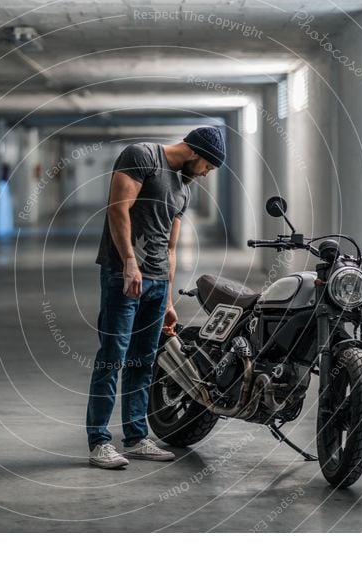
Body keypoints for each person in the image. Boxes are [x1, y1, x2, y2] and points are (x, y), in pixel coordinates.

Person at [85, 126, 226, 469]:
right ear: (195, 152)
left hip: (157, 283)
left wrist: (168, 302)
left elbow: (171, 247)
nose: (207, 174)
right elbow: (118, 208)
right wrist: (130, 262)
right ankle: (99, 442)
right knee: (113, 356)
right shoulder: (142, 156)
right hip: (124, 277)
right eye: (208, 166)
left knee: (144, 361)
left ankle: (135, 437)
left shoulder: (182, 187)